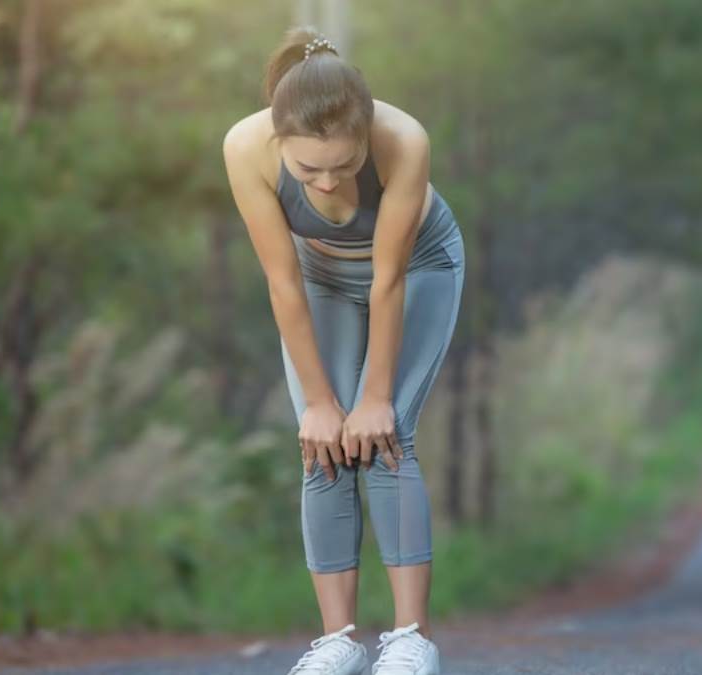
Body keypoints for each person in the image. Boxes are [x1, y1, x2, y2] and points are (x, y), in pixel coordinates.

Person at [222, 26, 462, 675]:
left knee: (387, 436)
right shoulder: (245, 147)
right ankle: (338, 641)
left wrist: (375, 397)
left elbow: (389, 278)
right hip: (319, 278)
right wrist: (322, 403)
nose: (326, 183)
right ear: (279, 142)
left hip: (419, 269)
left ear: (366, 134)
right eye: (308, 170)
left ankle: (412, 639)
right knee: (323, 441)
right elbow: (282, 280)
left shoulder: (404, 139)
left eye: (344, 166)